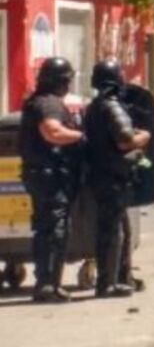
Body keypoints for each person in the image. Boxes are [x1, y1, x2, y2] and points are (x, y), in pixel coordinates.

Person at [83, 59, 151, 298]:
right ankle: (107, 284)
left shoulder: (93, 107)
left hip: (103, 175)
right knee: (112, 232)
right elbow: (124, 140)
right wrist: (144, 136)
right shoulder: (111, 106)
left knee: (119, 229)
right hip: (112, 177)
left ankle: (121, 278)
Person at [19, 57, 85, 303]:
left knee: (45, 229)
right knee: (54, 230)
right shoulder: (49, 104)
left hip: (39, 174)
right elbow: (52, 131)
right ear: (62, 81)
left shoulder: (35, 101)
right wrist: (81, 136)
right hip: (50, 177)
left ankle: (45, 281)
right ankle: (48, 284)